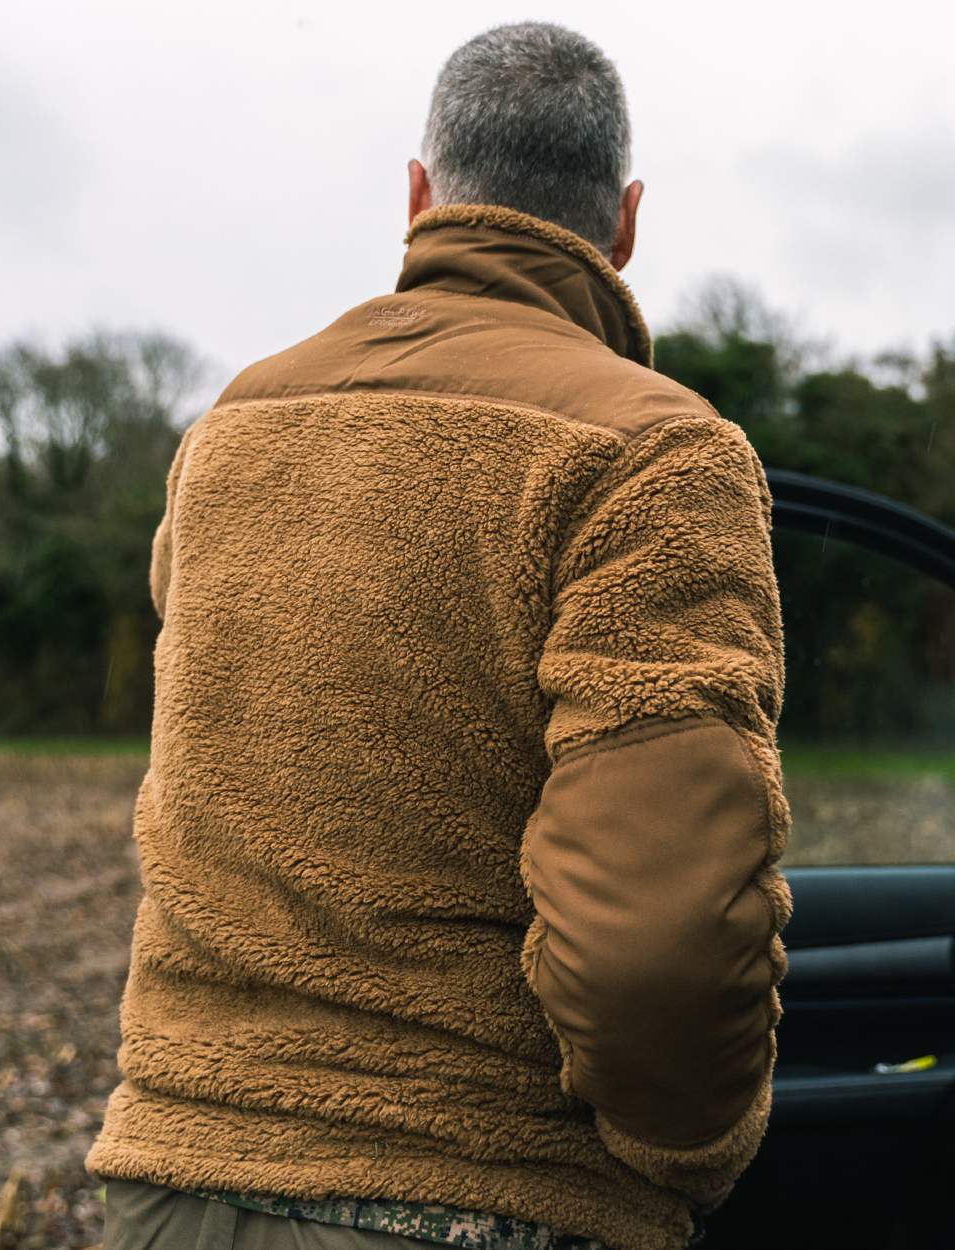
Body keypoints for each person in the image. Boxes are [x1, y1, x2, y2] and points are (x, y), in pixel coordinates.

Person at [87, 19, 793, 1250]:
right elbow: (658, 939)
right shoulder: (656, 452)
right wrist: (691, 1152)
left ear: (418, 197)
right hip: (478, 1186)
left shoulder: (232, 427)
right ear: (624, 222)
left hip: (166, 1178)